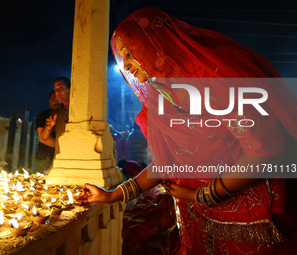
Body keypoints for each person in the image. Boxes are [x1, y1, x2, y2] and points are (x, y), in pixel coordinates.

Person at [77, 9, 297, 255]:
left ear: (156, 44)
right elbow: (166, 162)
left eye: (130, 53)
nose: (126, 65)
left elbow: (265, 151)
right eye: (122, 58)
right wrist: (113, 195)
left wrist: (201, 195)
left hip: (253, 220)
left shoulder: (216, 77)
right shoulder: (160, 100)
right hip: (200, 219)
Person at [35, 90, 61, 173]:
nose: (56, 101)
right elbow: (43, 139)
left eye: (58, 99)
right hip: (44, 157)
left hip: (61, 157)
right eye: (54, 99)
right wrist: (63, 147)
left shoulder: (66, 115)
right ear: (49, 101)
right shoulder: (43, 115)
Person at [48, 76, 71, 155]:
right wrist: (49, 128)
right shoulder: (56, 113)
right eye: (55, 89)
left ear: (70, 89)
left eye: (61, 87)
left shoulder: (78, 110)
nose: (57, 92)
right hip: (60, 156)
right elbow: (43, 138)